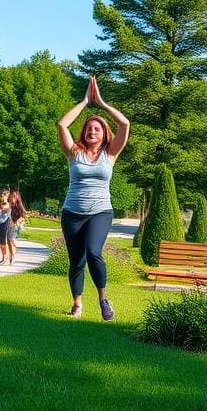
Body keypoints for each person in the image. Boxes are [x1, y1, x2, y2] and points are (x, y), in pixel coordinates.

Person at [57, 74, 130, 320]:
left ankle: (102, 299)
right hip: (72, 213)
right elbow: (61, 125)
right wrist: (84, 102)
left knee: (93, 252)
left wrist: (102, 103)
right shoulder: (73, 152)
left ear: (103, 133)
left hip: (100, 211)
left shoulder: (110, 154)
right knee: (76, 261)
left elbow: (126, 125)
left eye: (97, 128)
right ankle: (77, 304)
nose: (92, 131)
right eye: (88, 128)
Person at [7, 189, 27, 265]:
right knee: (8, 242)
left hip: (16, 226)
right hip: (9, 225)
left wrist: (18, 221)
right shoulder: (10, 205)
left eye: (14, 197)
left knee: (11, 239)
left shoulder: (19, 206)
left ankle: (13, 257)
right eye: (12, 197)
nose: (12, 198)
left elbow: (24, 216)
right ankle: (11, 256)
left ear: (17, 197)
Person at [0, 189, 12, 265]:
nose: (2, 196)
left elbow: (7, 210)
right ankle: (4, 256)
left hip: (5, 224)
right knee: (0, 242)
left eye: (4, 195)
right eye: (1, 195)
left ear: (7, 195)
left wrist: (2, 206)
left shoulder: (9, 204)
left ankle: (5, 256)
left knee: (3, 242)